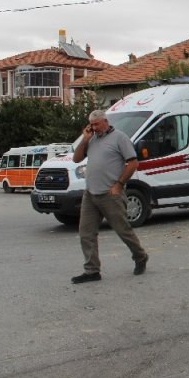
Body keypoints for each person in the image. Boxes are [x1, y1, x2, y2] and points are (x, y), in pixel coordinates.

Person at [71, 110, 148, 284]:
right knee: (86, 233)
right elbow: (76, 159)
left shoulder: (120, 137)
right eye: (91, 124)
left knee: (123, 230)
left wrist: (119, 184)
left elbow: (133, 162)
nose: (94, 128)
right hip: (91, 193)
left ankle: (140, 256)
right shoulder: (92, 140)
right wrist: (84, 140)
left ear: (106, 122)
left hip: (110, 193)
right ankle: (92, 270)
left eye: (97, 124)